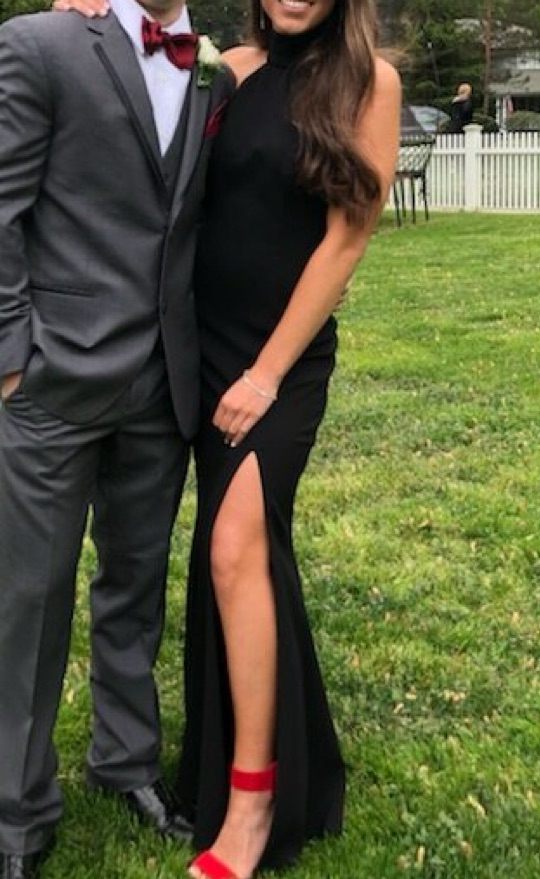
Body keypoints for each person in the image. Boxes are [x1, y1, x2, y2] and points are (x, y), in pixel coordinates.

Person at [53, 0, 400, 876]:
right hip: (200, 351)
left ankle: (251, 805)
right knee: (241, 557)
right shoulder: (226, 71)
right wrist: (87, 11)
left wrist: (268, 373)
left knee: (235, 548)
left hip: (280, 361)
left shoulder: (370, 81)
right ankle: (269, 753)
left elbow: (346, 239)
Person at [0, 2, 235, 877]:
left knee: (135, 587)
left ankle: (125, 762)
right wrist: (11, 359)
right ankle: (16, 813)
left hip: (162, 381)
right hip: (53, 380)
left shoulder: (213, 70)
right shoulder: (41, 44)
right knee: (30, 598)